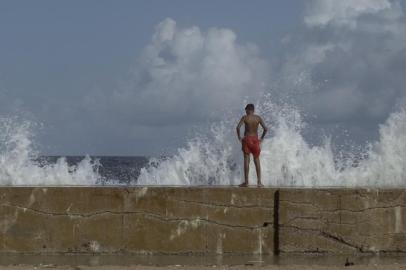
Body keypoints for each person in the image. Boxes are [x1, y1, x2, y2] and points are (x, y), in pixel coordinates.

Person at [236, 104, 268, 187]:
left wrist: (239, 137)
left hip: (247, 139)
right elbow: (266, 129)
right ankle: (259, 182)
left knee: (246, 160)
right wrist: (261, 138)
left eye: (246, 110)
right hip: (255, 140)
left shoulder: (245, 117)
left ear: (248, 110)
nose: (245, 112)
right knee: (257, 160)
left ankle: (246, 182)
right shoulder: (258, 118)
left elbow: (238, 128)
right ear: (253, 110)